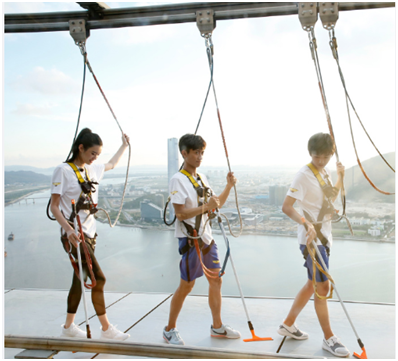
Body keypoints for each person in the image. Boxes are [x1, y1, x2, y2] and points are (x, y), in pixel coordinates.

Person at [50, 128, 130, 341]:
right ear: (81, 147)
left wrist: (124, 145)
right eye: (92, 153)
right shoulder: (63, 170)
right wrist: (68, 230)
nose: (95, 158)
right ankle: (106, 329)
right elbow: (55, 206)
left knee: (80, 279)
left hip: (90, 234)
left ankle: (67, 327)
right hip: (75, 235)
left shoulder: (92, 170)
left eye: (98, 155)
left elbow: (112, 164)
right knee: (98, 279)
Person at [163, 133, 241, 345]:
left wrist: (228, 186)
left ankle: (217, 327)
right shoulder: (177, 180)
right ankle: (169, 329)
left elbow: (217, 204)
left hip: (206, 239)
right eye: (195, 152)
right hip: (191, 240)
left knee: (216, 280)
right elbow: (180, 214)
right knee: (186, 286)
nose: (199, 157)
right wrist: (206, 207)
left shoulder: (201, 178)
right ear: (184, 153)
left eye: (201, 153)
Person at [278, 132, 350, 358]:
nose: (321, 161)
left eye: (325, 157)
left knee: (312, 284)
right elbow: (287, 206)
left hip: (324, 236)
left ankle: (288, 324)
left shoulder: (326, 172)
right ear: (310, 153)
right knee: (322, 288)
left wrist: (340, 176)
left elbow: (331, 198)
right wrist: (305, 222)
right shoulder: (303, 175)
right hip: (311, 240)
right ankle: (329, 338)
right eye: (317, 157)